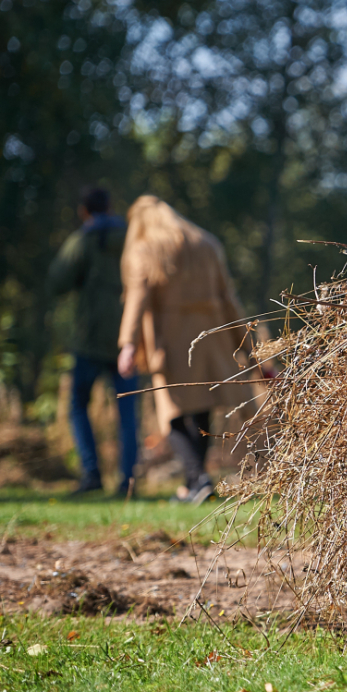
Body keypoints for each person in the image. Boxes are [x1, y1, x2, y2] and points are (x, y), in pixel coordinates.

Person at [117, 196, 258, 505]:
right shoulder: (207, 243)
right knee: (202, 407)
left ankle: (198, 480)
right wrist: (248, 345)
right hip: (213, 338)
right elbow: (229, 298)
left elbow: (137, 298)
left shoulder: (146, 248)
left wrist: (128, 344)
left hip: (173, 341)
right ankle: (197, 483)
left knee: (175, 415)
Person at [48, 186, 140, 497]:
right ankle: (127, 481)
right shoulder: (131, 238)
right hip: (127, 339)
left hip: (89, 340)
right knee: (128, 413)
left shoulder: (82, 240)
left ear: (84, 210)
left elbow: (57, 281)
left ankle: (91, 473)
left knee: (77, 405)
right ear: (111, 207)